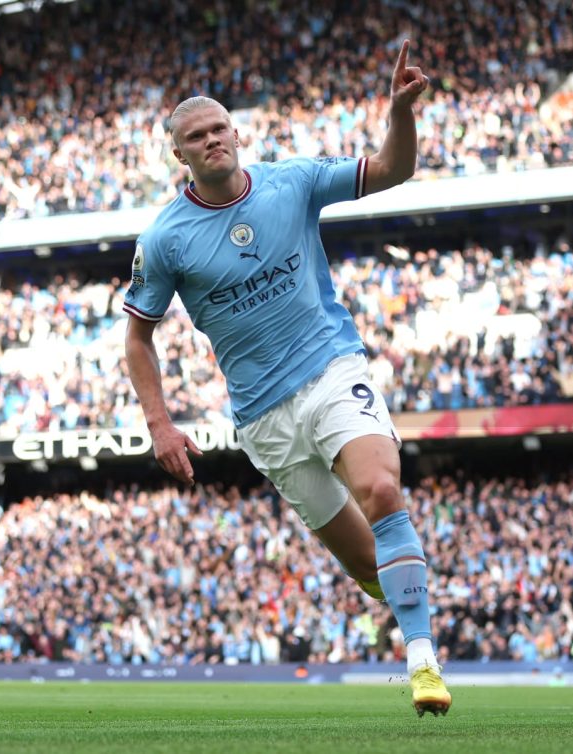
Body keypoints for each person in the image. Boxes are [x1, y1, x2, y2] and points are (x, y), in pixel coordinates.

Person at [124, 40, 451, 716]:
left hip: (331, 367)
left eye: (219, 128)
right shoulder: (165, 240)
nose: (212, 140)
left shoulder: (292, 181)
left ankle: (422, 663)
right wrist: (160, 423)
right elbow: (138, 335)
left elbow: (392, 169)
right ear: (179, 155)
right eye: (196, 136)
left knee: (381, 489)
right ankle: (400, 591)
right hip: (264, 419)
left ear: (236, 133)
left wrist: (400, 113)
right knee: (367, 565)